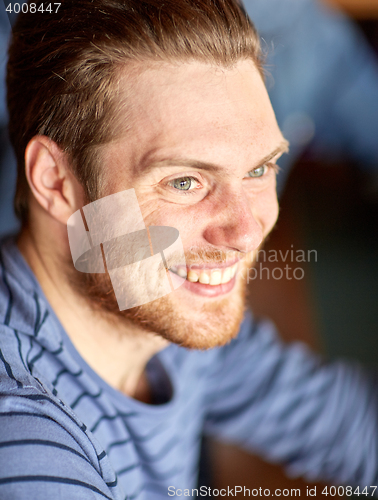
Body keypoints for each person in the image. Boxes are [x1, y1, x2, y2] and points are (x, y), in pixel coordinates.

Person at [0, 1, 377, 499]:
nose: (245, 233)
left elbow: (344, 424)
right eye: (184, 181)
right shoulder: (24, 442)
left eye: (260, 169)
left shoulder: (157, 310)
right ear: (55, 180)